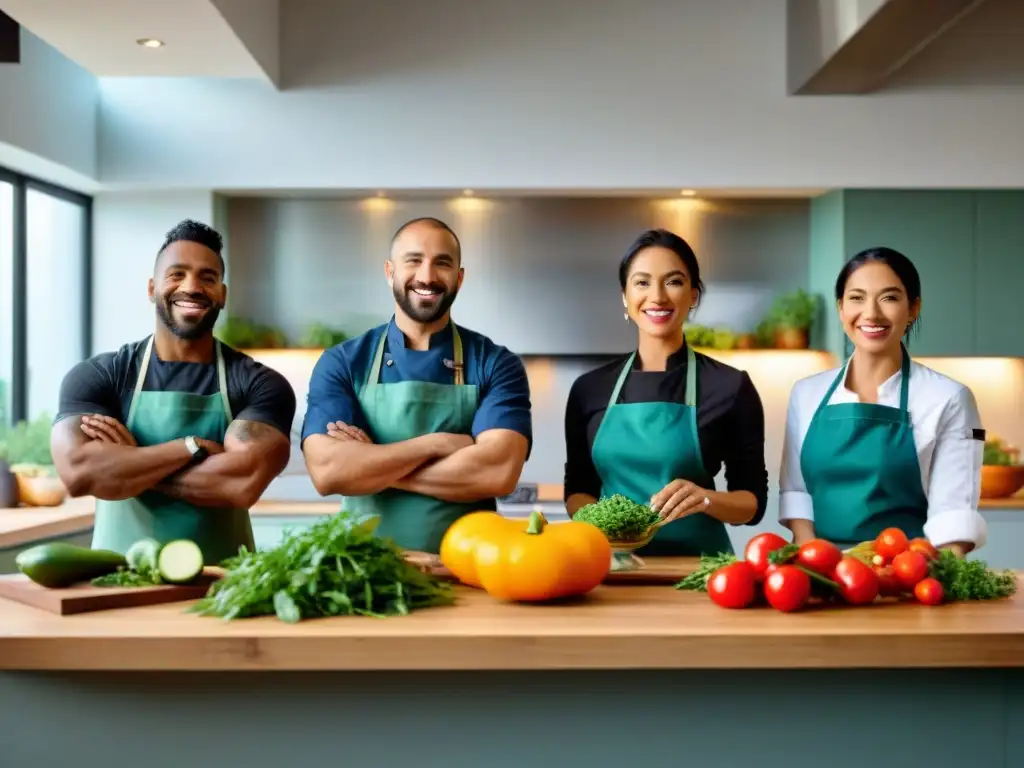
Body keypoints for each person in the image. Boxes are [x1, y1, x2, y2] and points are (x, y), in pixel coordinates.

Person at [50, 219, 296, 565]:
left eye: (207, 277)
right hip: (117, 584)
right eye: (176, 274)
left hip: (225, 592)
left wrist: (130, 465)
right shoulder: (101, 376)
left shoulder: (259, 383)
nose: (192, 287)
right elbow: (79, 474)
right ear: (152, 288)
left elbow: (240, 483)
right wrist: (190, 447)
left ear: (222, 295)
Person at [301, 217, 532, 554]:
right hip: (362, 573)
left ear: (459, 277)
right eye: (413, 261)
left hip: (469, 568)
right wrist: (437, 443)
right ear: (389, 271)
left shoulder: (496, 363)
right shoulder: (343, 361)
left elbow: (497, 473)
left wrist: (373, 468)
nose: (426, 276)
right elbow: (329, 472)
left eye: (442, 263)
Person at [563, 228, 769, 556]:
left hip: (700, 569)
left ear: (694, 295)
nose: (657, 297)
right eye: (642, 282)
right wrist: (607, 525)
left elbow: (752, 502)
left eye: (673, 281)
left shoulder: (730, 386)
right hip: (609, 569)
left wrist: (705, 499)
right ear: (625, 297)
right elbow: (578, 489)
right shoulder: (589, 389)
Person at [779, 247, 987, 557]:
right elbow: (797, 494)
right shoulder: (806, 393)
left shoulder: (948, 398)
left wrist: (929, 579)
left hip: (907, 572)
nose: (871, 313)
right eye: (857, 298)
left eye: (889, 298)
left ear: (913, 308)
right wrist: (817, 562)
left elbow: (953, 516)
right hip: (823, 574)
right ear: (840, 308)